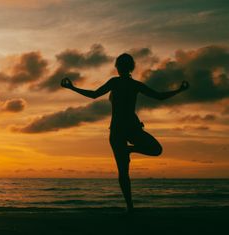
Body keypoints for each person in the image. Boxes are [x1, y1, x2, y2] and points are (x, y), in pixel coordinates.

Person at [60, 53, 189, 213]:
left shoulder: (117, 82)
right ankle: (130, 206)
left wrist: (72, 87)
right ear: (131, 67)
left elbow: (94, 95)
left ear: (118, 67)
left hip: (120, 130)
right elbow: (159, 97)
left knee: (124, 171)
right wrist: (179, 90)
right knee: (152, 152)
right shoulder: (134, 85)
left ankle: (130, 206)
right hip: (130, 128)